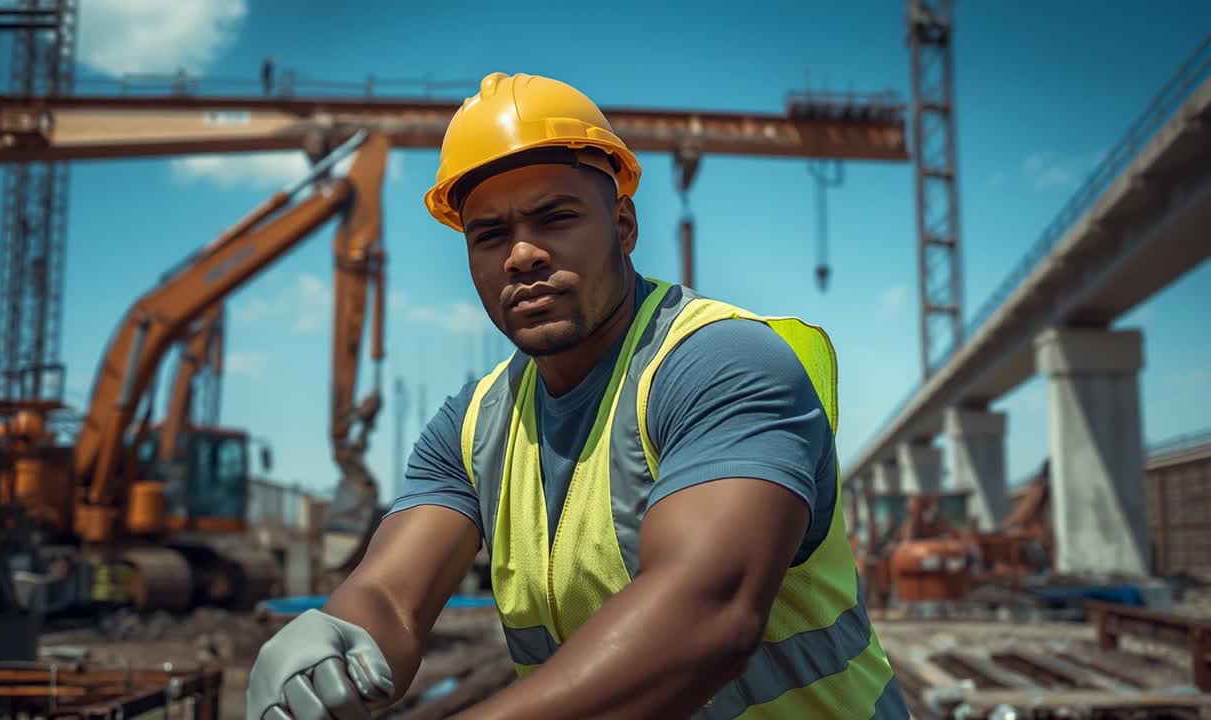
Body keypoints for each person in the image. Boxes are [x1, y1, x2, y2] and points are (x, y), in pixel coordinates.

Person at [246, 71, 908, 720]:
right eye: (490, 234)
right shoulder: (472, 428)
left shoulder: (720, 364)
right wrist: (333, 640)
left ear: (623, 226)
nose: (522, 254)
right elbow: (391, 596)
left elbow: (706, 618)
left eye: (554, 217)